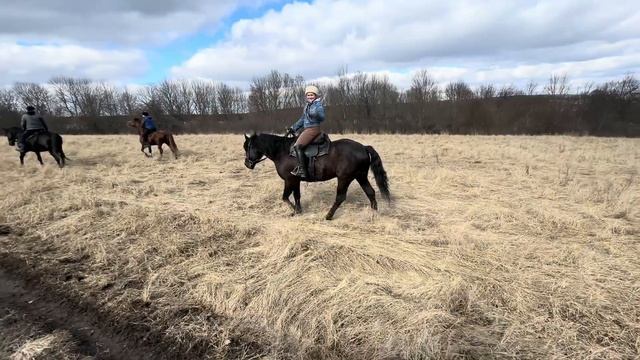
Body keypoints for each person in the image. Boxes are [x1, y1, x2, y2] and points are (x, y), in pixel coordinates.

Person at [287, 85, 325, 178]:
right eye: (308, 95)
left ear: (315, 95)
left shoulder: (318, 105)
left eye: (312, 95)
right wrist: (293, 128)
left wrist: (315, 115)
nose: (310, 97)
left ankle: (302, 170)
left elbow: (322, 117)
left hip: (313, 128)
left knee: (297, 146)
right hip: (307, 129)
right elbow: (302, 119)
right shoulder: (307, 106)